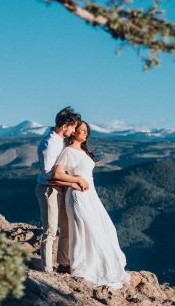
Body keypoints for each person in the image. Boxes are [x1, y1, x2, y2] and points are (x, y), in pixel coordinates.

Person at [51, 120, 129, 288]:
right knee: (84, 230)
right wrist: (76, 180)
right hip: (78, 196)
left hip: (90, 196)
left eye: (87, 130)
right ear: (73, 132)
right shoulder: (69, 151)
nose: (85, 133)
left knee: (105, 228)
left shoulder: (81, 151)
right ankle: (81, 267)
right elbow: (57, 174)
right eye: (82, 130)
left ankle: (96, 266)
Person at [36, 106, 88, 273]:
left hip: (61, 189)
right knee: (50, 229)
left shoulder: (62, 141)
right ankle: (47, 269)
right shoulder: (49, 143)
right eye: (73, 127)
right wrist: (74, 181)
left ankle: (63, 264)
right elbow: (49, 175)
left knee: (66, 227)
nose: (74, 131)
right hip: (49, 189)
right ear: (65, 126)